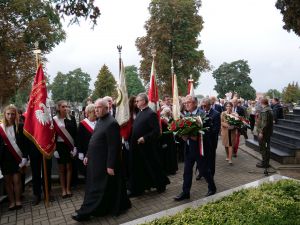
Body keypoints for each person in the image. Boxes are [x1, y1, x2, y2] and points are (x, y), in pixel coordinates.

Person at [72, 98, 131, 221]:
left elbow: (113, 146)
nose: (95, 110)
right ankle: (101, 208)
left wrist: (110, 165)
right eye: (95, 107)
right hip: (94, 161)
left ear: (106, 108)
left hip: (103, 163)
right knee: (100, 187)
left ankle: (84, 213)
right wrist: (87, 155)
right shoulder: (100, 120)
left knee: (97, 188)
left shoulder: (112, 123)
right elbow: (93, 140)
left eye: (98, 107)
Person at [174, 95, 216, 201]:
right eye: (185, 103)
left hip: (200, 148)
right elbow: (183, 130)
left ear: (196, 103)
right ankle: (185, 192)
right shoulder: (186, 115)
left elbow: (209, 131)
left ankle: (212, 187)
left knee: (203, 169)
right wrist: (182, 135)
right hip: (188, 148)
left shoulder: (202, 114)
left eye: (189, 102)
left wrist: (196, 136)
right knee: (187, 170)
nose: (186, 104)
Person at [128, 93, 170, 196]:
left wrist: (145, 138)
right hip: (137, 146)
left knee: (153, 166)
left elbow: (156, 131)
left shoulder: (151, 114)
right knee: (141, 168)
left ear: (144, 101)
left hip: (147, 146)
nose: (136, 103)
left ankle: (161, 184)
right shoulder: (140, 112)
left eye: (138, 101)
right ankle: (140, 188)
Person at [0, 104, 28, 210]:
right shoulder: (1, 128)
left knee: (17, 180)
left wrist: (25, 157)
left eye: (12, 114)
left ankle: (18, 200)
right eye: (8, 114)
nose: (10, 116)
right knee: (8, 181)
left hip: (17, 156)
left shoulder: (20, 126)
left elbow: (25, 144)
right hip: (5, 157)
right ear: (4, 114)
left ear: (15, 114)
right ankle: (11, 202)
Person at [53, 100, 77, 198]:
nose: (65, 108)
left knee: (69, 167)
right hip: (59, 146)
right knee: (62, 168)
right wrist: (54, 149)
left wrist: (75, 147)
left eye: (67, 106)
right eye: (63, 106)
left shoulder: (72, 118)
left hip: (69, 146)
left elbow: (75, 133)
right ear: (58, 108)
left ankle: (68, 188)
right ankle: (63, 189)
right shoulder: (54, 119)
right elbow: (51, 136)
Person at [197, 98, 220, 178]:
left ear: (209, 105)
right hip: (201, 140)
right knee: (201, 157)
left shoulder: (216, 114)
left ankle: (211, 174)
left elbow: (216, 129)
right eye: (202, 105)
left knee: (211, 158)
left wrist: (205, 133)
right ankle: (201, 172)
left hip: (211, 141)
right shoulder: (200, 113)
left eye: (205, 105)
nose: (203, 107)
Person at [77, 104, 97, 178]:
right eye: (93, 112)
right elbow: (79, 140)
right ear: (88, 113)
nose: (95, 113)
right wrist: (80, 152)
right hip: (86, 151)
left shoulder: (99, 122)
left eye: (96, 111)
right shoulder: (82, 124)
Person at [256, 98, 273, 168]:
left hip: (264, 133)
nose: (259, 103)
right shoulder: (270, 109)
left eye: (260, 102)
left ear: (262, 103)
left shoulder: (265, 111)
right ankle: (266, 162)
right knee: (267, 148)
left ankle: (264, 163)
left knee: (263, 148)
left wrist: (261, 132)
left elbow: (264, 123)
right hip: (268, 132)